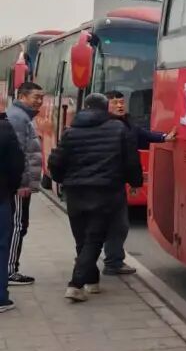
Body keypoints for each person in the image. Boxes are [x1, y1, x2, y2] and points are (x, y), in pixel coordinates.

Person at [47, 93, 142, 302]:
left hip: (75, 192)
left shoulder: (70, 131)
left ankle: (92, 281)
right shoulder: (118, 129)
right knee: (94, 238)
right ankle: (76, 284)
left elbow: (56, 161)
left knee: (82, 238)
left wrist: (62, 179)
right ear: (105, 107)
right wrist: (135, 182)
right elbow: (131, 161)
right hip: (106, 191)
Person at [103, 90, 175, 275]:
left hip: (114, 184)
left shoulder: (127, 124)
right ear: (105, 105)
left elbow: (142, 135)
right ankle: (98, 264)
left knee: (117, 225)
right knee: (107, 225)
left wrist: (164, 137)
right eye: (115, 103)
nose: (120, 105)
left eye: (121, 102)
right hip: (104, 185)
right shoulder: (104, 126)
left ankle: (109, 262)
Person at [6, 81, 44, 287]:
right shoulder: (19, 118)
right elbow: (18, 154)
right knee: (17, 225)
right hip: (19, 186)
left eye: (41, 98)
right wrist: (22, 183)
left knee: (17, 225)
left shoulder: (20, 116)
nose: (40, 101)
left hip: (18, 183)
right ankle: (10, 270)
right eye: (36, 97)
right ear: (22, 97)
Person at [0, 110, 25, 314]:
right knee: (1, 246)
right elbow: (16, 165)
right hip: (1, 196)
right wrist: (11, 188)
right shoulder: (5, 128)